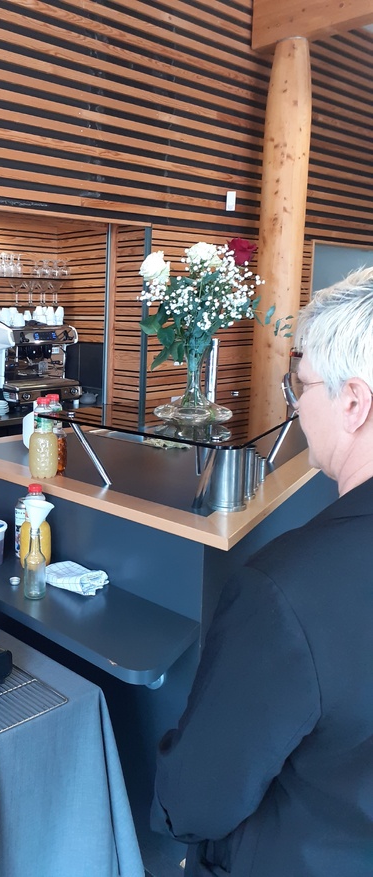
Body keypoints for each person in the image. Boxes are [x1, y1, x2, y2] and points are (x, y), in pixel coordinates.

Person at [150, 267, 373, 876]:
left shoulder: (283, 592)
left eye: (300, 384)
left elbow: (196, 798)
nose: (296, 405)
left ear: (353, 403)